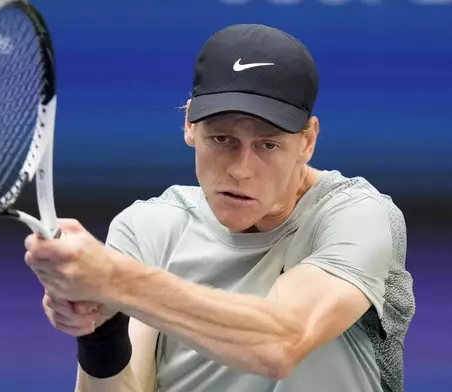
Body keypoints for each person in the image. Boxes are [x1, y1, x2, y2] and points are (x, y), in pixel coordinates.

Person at [24, 24, 416, 392]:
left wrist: (116, 282)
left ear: (308, 140)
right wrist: (101, 331)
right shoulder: (148, 229)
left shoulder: (358, 216)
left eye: (268, 144)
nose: (241, 170)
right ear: (190, 125)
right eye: (223, 139)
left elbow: (282, 343)